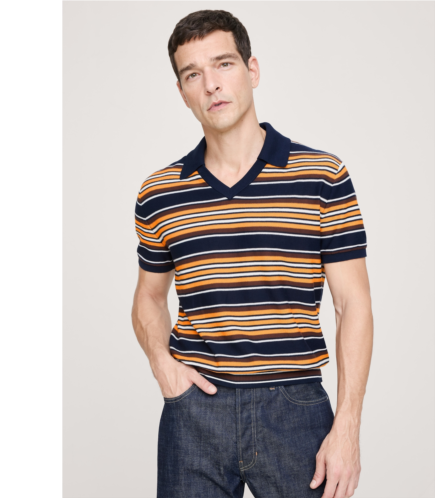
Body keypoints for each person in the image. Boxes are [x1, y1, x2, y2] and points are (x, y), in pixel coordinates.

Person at [131, 9, 373, 498]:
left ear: (252, 70)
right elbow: (148, 298)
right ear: (182, 92)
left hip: (294, 409)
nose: (211, 85)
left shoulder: (322, 177)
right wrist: (162, 364)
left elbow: (353, 305)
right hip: (195, 411)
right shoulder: (160, 193)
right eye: (193, 74)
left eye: (223, 64)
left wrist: (348, 426)